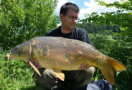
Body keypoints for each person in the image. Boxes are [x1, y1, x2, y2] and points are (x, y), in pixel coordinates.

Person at [34, 2, 113, 90]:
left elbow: (90, 53)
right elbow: (43, 56)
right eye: (71, 17)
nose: (74, 21)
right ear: (61, 16)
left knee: (89, 70)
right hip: (55, 70)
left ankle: (77, 87)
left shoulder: (81, 33)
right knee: (40, 72)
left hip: (74, 70)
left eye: (76, 18)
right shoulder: (50, 35)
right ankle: (57, 88)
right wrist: (39, 62)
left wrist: (88, 62)